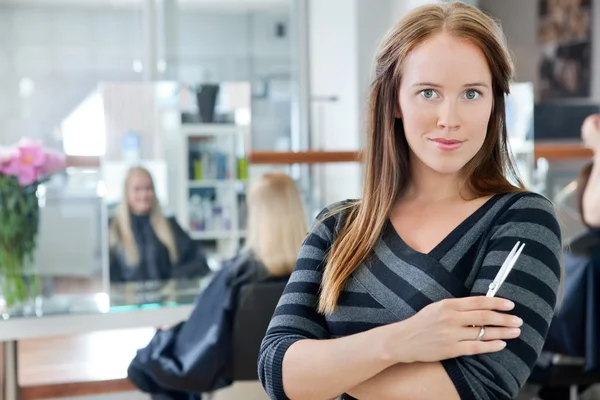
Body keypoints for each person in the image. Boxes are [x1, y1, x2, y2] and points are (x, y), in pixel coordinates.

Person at [258, 3, 562, 400]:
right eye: (428, 93)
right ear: (395, 101)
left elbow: (482, 386)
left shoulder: (523, 221)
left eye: (472, 93)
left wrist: (325, 372)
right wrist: (401, 341)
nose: (449, 118)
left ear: (494, 103)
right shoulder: (336, 227)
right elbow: (276, 370)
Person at [127, 172, 308, 398]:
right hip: (299, 387)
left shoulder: (236, 275)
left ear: (256, 216)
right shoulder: (318, 273)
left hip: (234, 390)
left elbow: (201, 347)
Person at [109, 166, 210, 282]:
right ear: (126, 193)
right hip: (128, 298)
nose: (144, 195)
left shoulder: (170, 226)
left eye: (148, 188)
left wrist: (174, 279)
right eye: (137, 189)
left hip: (168, 298)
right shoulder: (114, 230)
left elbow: (197, 261)